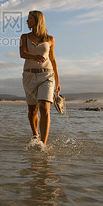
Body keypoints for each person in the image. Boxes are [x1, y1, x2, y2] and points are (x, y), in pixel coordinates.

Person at [19, 10, 61, 145]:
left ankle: (43, 143)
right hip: (29, 75)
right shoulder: (24, 37)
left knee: (44, 106)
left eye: (29, 18)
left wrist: (58, 81)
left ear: (37, 20)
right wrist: (33, 56)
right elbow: (22, 53)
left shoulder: (50, 39)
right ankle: (35, 134)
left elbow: (53, 60)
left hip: (47, 75)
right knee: (33, 109)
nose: (26, 21)